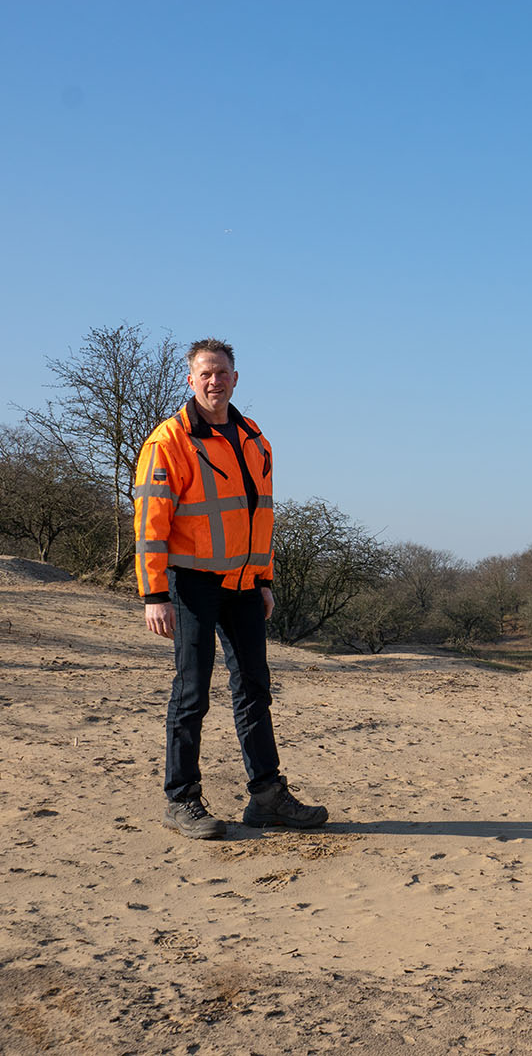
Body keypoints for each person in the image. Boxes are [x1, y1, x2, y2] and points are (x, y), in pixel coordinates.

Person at [134, 338, 328, 839]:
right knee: (192, 692)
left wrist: (264, 579)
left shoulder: (254, 437)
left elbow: (260, 517)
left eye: (222, 372)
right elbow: (150, 524)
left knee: (254, 689)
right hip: (190, 584)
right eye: (205, 373)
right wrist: (154, 595)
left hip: (244, 585)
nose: (214, 381)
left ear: (235, 378)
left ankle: (267, 797)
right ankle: (181, 799)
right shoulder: (168, 441)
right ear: (190, 380)